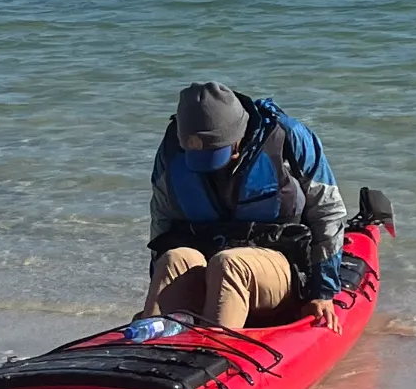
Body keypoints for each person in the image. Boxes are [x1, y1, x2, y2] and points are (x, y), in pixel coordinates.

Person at [145, 81, 348, 332]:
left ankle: (215, 355)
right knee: (174, 258)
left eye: (217, 155)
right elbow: (162, 221)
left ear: (238, 136)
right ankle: (147, 343)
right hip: (209, 264)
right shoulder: (172, 150)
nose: (213, 167)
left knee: (229, 264)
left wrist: (323, 292)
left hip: (280, 267)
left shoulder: (289, 137)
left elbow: (328, 212)